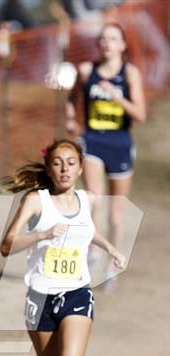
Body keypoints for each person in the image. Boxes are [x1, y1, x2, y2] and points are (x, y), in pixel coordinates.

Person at [0, 139, 125, 356]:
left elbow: (86, 229)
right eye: (58, 162)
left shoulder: (87, 200)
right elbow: (6, 245)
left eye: (71, 162)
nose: (65, 168)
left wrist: (110, 248)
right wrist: (41, 233)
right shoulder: (35, 202)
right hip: (39, 299)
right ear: (49, 168)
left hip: (76, 295)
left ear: (81, 168)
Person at [65, 23, 146, 288]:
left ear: (122, 45)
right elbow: (72, 97)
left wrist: (115, 96)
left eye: (113, 38)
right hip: (93, 140)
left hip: (121, 143)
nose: (107, 42)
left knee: (115, 215)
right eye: (103, 38)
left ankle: (113, 263)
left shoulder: (129, 73)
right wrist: (70, 118)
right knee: (93, 200)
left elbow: (140, 115)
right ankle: (92, 254)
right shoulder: (87, 70)